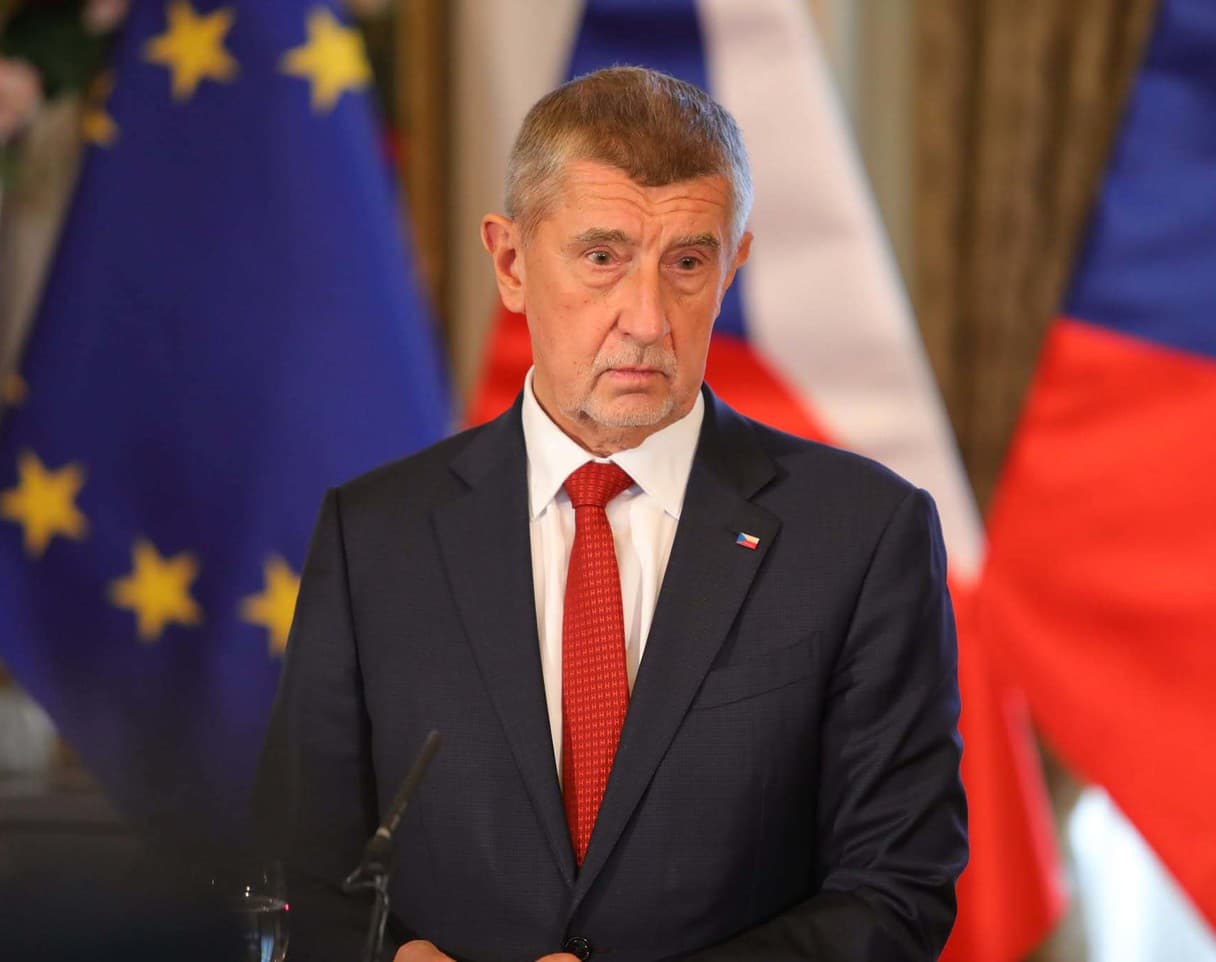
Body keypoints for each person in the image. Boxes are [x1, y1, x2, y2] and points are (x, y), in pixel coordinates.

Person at [257, 66, 966, 962]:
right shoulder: (374, 536)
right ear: (511, 262)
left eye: (687, 263)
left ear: (732, 266)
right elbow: (298, 870)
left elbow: (896, 892)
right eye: (602, 258)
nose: (646, 319)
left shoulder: (863, 535)